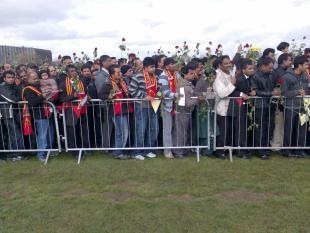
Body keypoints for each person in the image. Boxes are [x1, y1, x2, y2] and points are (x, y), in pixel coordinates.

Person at [129, 57, 159, 160]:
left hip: (154, 105)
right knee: (141, 130)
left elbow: (158, 89)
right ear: (145, 67)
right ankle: (137, 152)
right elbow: (132, 90)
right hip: (141, 106)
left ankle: (148, 150)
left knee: (154, 129)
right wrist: (144, 96)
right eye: (151, 67)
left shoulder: (155, 77)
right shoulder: (138, 76)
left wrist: (160, 94)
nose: (154, 69)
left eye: (154, 67)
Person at [58, 64, 90, 159]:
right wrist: (73, 96)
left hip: (82, 109)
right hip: (70, 110)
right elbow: (61, 99)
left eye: (75, 70)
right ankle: (74, 152)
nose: (74, 72)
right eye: (71, 71)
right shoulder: (63, 84)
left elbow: (84, 94)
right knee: (71, 132)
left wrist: (87, 97)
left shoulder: (81, 82)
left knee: (82, 130)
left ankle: (83, 149)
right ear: (67, 73)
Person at [251, 56, 280, 160]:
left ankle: (265, 148)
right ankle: (259, 150)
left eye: (272, 68)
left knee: (269, 127)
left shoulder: (272, 74)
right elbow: (255, 92)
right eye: (269, 67)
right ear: (262, 66)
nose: (271, 70)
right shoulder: (255, 76)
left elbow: (277, 84)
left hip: (271, 105)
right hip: (260, 105)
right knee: (260, 129)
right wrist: (271, 93)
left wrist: (277, 89)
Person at [171, 65, 203, 157]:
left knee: (184, 132)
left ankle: (182, 150)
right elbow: (185, 103)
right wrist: (197, 99)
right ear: (185, 74)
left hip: (185, 112)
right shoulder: (182, 86)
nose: (193, 75)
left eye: (194, 73)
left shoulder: (187, 84)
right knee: (180, 132)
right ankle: (178, 151)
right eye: (191, 73)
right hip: (182, 112)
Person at [227, 59, 256, 159]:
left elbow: (246, 90)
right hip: (237, 106)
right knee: (240, 129)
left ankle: (242, 148)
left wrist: (250, 92)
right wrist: (241, 94)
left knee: (243, 129)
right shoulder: (239, 79)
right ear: (243, 70)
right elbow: (230, 91)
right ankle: (239, 151)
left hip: (243, 106)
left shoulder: (248, 78)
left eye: (253, 68)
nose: (252, 70)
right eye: (250, 68)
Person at [22, 71, 54, 162]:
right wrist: (43, 96)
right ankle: (41, 154)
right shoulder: (28, 89)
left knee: (48, 134)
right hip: (39, 114)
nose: (36, 80)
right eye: (34, 78)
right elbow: (32, 102)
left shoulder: (37, 87)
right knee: (42, 135)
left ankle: (47, 151)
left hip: (45, 113)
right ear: (28, 79)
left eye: (37, 78)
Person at [281, 55, 309, 158]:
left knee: (302, 130)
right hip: (290, 107)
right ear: (299, 65)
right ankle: (286, 151)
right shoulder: (286, 77)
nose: (307, 66)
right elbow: (284, 93)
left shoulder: (305, 75)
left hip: (304, 107)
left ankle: (299, 150)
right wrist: (297, 92)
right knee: (289, 129)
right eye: (306, 64)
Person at [158, 57, 182, 159]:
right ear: (167, 66)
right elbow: (164, 92)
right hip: (167, 106)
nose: (175, 66)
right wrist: (176, 95)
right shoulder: (163, 76)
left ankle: (176, 149)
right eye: (173, 64)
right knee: (167, 129)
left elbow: (181, 86)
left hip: (177, 105)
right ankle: (167, 151)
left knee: (176, 129)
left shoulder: (177, 74)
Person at [213, 55, 236, 159]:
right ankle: (219, 151)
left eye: (229, 63)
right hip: (222, 108)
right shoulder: (218, 77)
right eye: (225, 63)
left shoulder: (230, 73)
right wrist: (232, 84)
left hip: (231, 107)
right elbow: (222, 93)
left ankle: (226, 150)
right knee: (222, 131)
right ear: (220, 65)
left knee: (229, 131)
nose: (228, 65)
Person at [109, 65, 133, 159]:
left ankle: (119, 151)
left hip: (124, 109)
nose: (120, 74)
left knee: (124, 132)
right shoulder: (108, 83)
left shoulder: (122, 82)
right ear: (112, 74)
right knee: (120, 132)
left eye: (120, 72)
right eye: (117, 72)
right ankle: (118, 152)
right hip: (116, 111)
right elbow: (102, 95)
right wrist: (111, 94)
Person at [0, 70, 24, 161]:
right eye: (9, 77)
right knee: (14, 133)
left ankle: (19, 153)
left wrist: (19, 93)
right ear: (4, 78)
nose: (11, 79)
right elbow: (12, 99)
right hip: (7, 113)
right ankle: (14, 154)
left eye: (13, 77)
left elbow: (20, 94)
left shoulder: (15, 86)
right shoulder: (2, 87)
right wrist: (21, 97)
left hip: (16, 112)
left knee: (17, 133)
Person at [95, 55, 114, 149]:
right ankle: (106, 146)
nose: (111, 62)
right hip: (106, 104)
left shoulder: (108, 73)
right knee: (107, 125)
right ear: (103, 63)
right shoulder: (100, 75)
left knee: (110, 125)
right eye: (109, 61)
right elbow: (100, 91)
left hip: (111, 103)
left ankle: (109, 145)